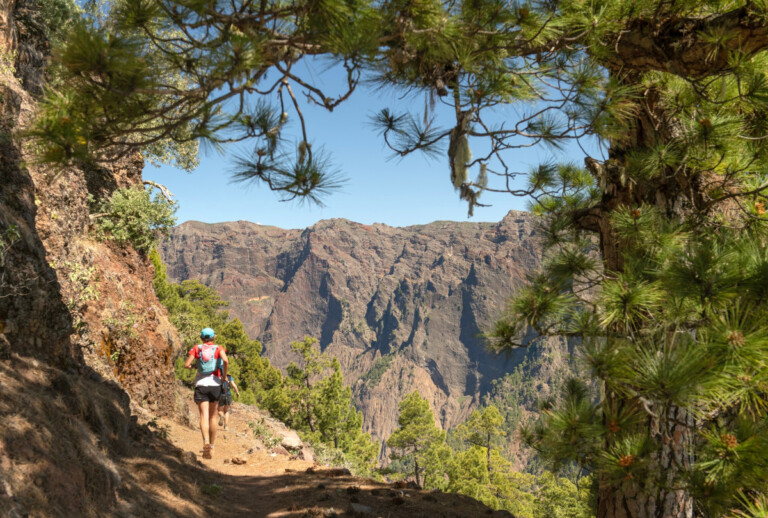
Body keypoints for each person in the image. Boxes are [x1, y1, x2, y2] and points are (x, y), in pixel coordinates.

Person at [184, 327, 228, 459]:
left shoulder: (197, 348)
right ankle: (212, 446)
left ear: (202, 338)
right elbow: (225, 361)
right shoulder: (219, 348)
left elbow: (186, 365)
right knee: (213, 417)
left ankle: (206, 442)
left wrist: (195, 367)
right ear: (213, 337)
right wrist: (224, 375)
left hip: (201, 385)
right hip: (215, 384)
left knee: (203, 415)